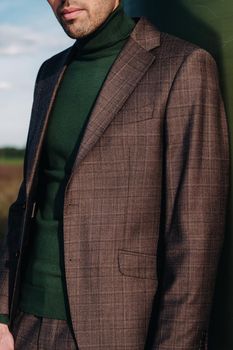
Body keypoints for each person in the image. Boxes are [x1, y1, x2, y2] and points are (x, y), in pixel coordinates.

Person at [0, 0, 229, 349]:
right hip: (24, 326)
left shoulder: (183, 65)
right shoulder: (49, 73)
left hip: (116, 327)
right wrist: (2, 315)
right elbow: (25, 204)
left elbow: (195, 237)